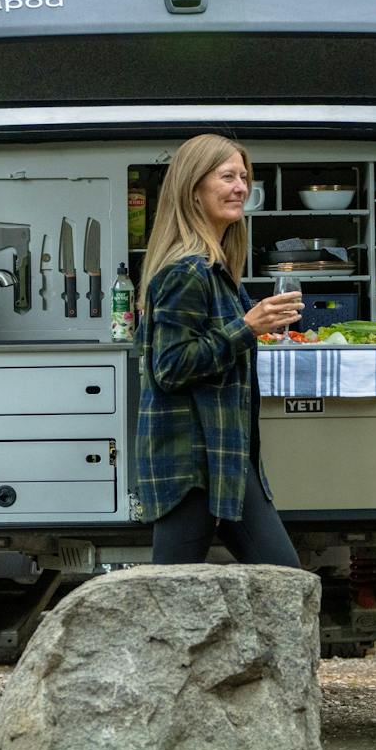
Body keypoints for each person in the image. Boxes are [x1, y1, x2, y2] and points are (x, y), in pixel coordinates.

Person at [136, 134, 304, 565]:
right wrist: (247, 328)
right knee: (178, 595)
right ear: (194, 189)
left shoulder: (216, 269)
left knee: (280, 580)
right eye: (227, 176)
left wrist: (255, 327)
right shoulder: (187, 271)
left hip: (224, 457)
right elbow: (169, 368)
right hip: (191, 463)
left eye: (244, 177)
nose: (241, 187)